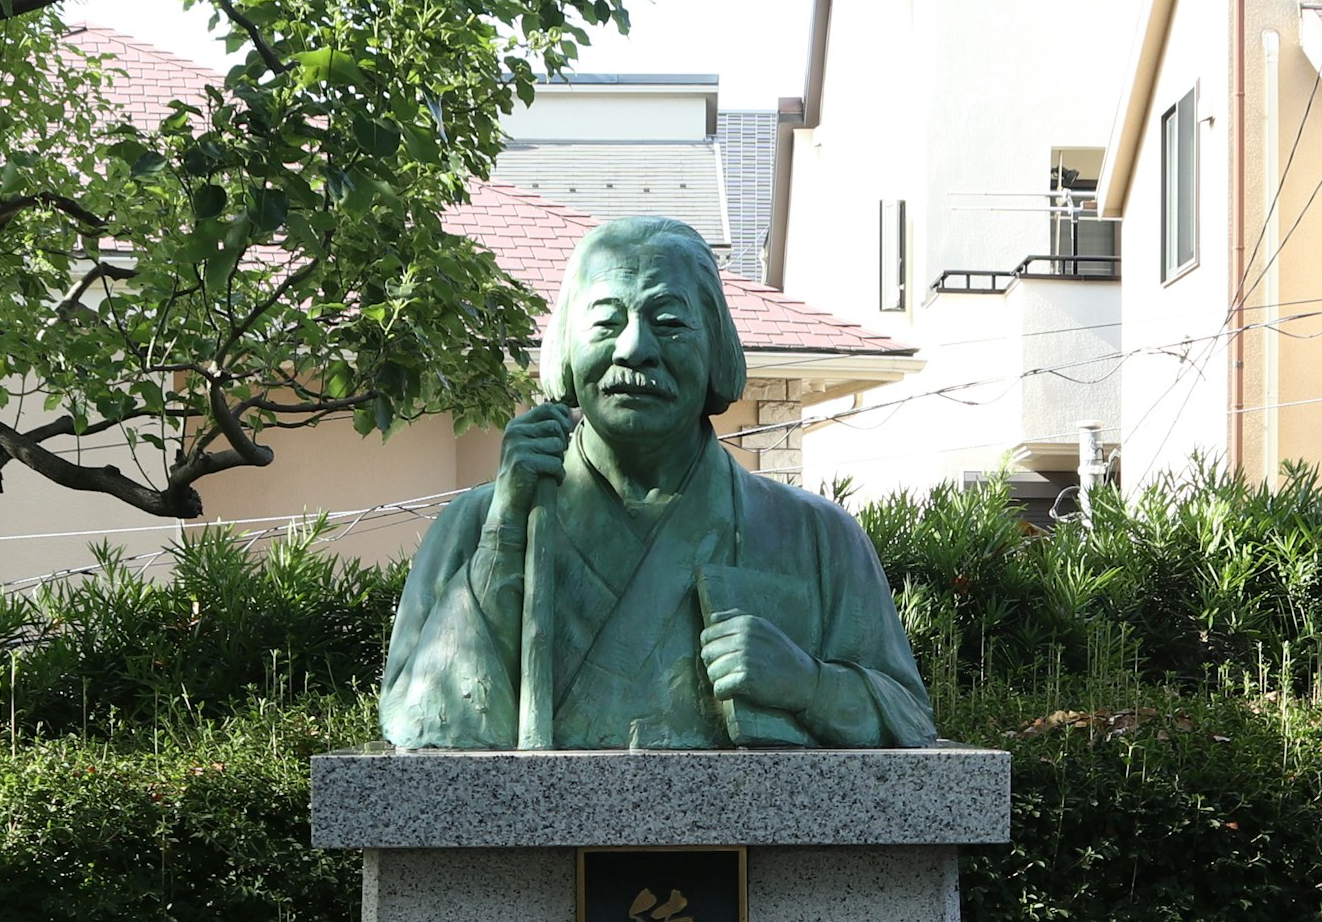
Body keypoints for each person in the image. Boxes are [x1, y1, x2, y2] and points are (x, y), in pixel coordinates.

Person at [378, 214, 937, 751]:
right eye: (605, 322)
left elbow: (907, 719)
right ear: (567, 348)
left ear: (715, 344)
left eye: (669, 322)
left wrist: (808, 685)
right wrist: (504, 537)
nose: (634, 348)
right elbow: (420, 722)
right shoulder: (477, 525)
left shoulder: (818, 538)